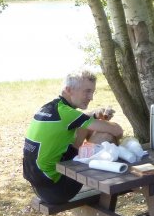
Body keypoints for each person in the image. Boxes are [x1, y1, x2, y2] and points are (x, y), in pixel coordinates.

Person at [23, 70, 124, 204]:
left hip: (40, 187)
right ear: (69, 90)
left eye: (92, 92)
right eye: (87, 91)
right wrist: (105, 125)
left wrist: (94, 115)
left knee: (85, 127)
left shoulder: (50, 108)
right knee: (106, 136)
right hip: (58, 190)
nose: (91, 97)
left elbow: (79, 120)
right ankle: (114, 177)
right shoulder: (67, 114)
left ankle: (92, 158)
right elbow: (118, 131)